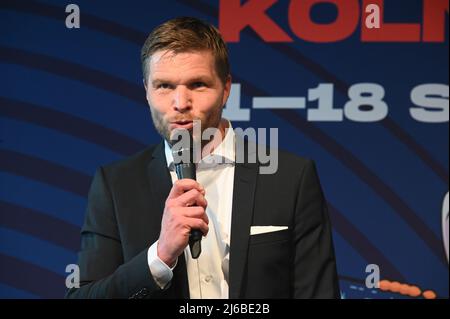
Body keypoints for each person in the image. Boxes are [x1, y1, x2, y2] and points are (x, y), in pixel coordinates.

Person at [66, 17, 340, 299]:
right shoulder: (116, 185)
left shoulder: (291, 177)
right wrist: (159, 256)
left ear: (226, 89)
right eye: (164, 86)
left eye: (197, 84)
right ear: (146, 91)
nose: (180, 103)